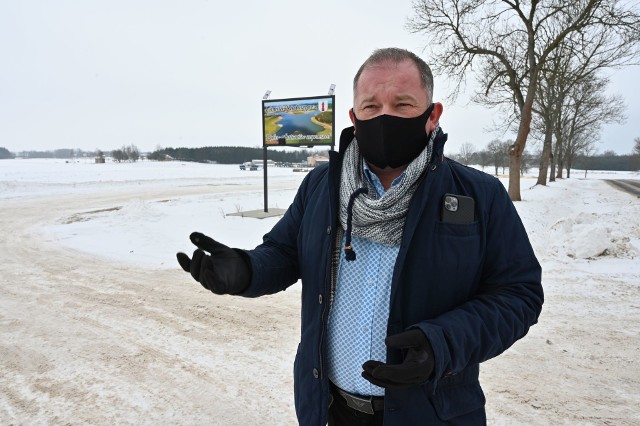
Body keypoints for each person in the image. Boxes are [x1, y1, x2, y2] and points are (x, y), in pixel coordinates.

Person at [177, 47, 543, 425]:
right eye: (371, 106)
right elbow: (285, 252)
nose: (384, 116)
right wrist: (248, 270)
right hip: (330, 409)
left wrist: (443, 343)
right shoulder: (321, 185)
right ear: (354, 117)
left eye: (402, 105)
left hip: (432, 413)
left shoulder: (477, 195)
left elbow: (519, 294)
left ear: (432, 115)